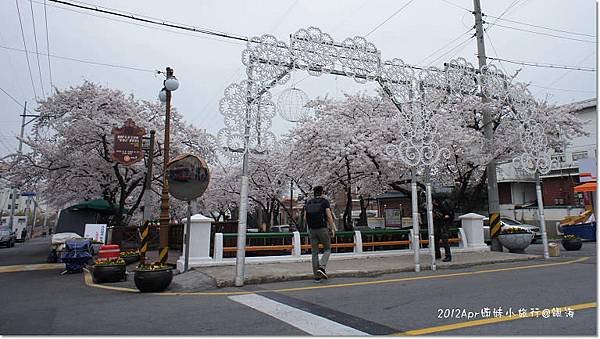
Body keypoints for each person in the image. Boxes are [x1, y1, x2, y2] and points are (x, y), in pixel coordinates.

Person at [304, 185, 336, 282]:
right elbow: (329, 216)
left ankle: (317, 276)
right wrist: (333, 228)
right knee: (327, 249)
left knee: (314, 252)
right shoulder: (324, 202)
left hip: (312, 230)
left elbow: (305, 218)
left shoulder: (309, 202)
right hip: (322, 229)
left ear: (314, 193)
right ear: (322, 192)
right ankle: (322, 267)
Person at [433, 197, 454, 262]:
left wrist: (442, 217)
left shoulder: (443, 206)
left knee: (444, 239)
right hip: (439, 224)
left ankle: (448, 256)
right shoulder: (436, 207)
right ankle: (437, 254)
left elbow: (448, 216)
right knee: (436, 238)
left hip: (444, 224)